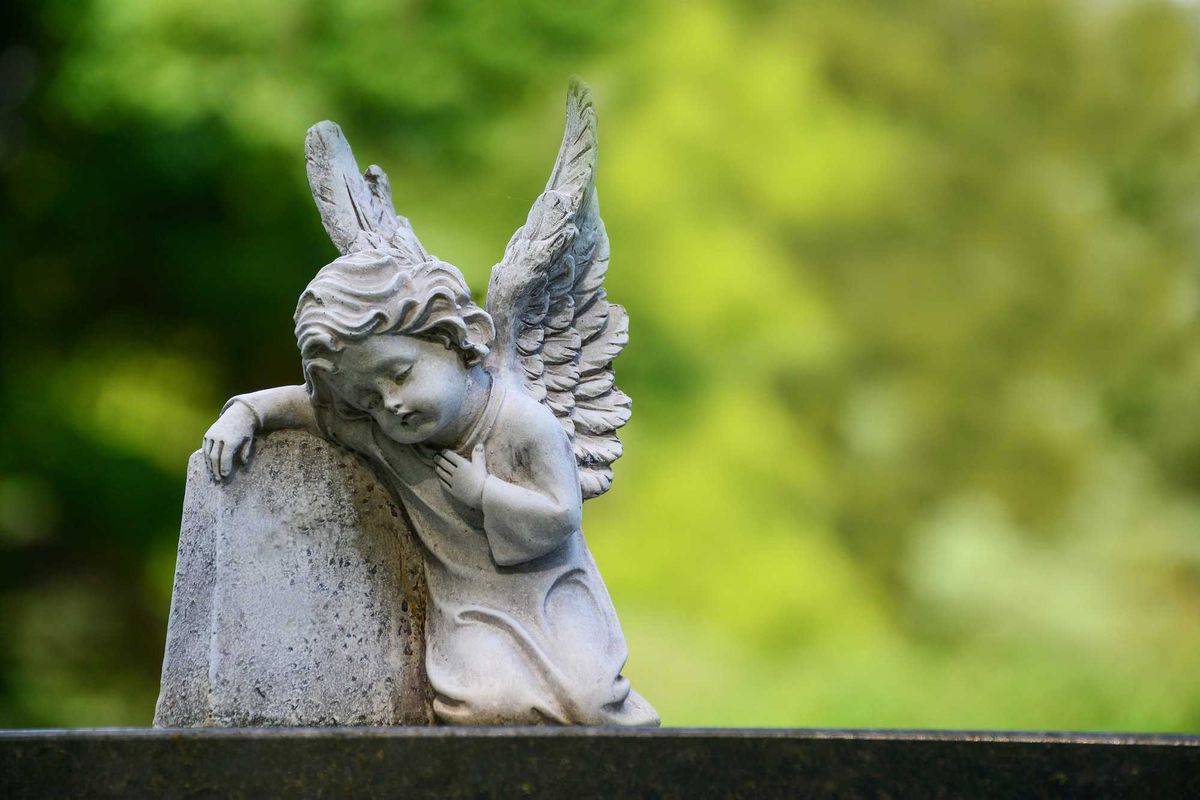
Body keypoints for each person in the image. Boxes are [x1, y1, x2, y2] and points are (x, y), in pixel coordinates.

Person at [203, 247, 659, 726]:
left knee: (593, 704)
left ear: (454, 341)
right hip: (470, 610)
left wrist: (483, 494)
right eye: (370, 399)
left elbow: (561, 515)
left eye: (399, 375)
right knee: (483, 704)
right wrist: (245, 413)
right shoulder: (390, 438)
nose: (391, 404)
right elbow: (309, 408)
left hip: (552, 594)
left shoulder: (524, 423)